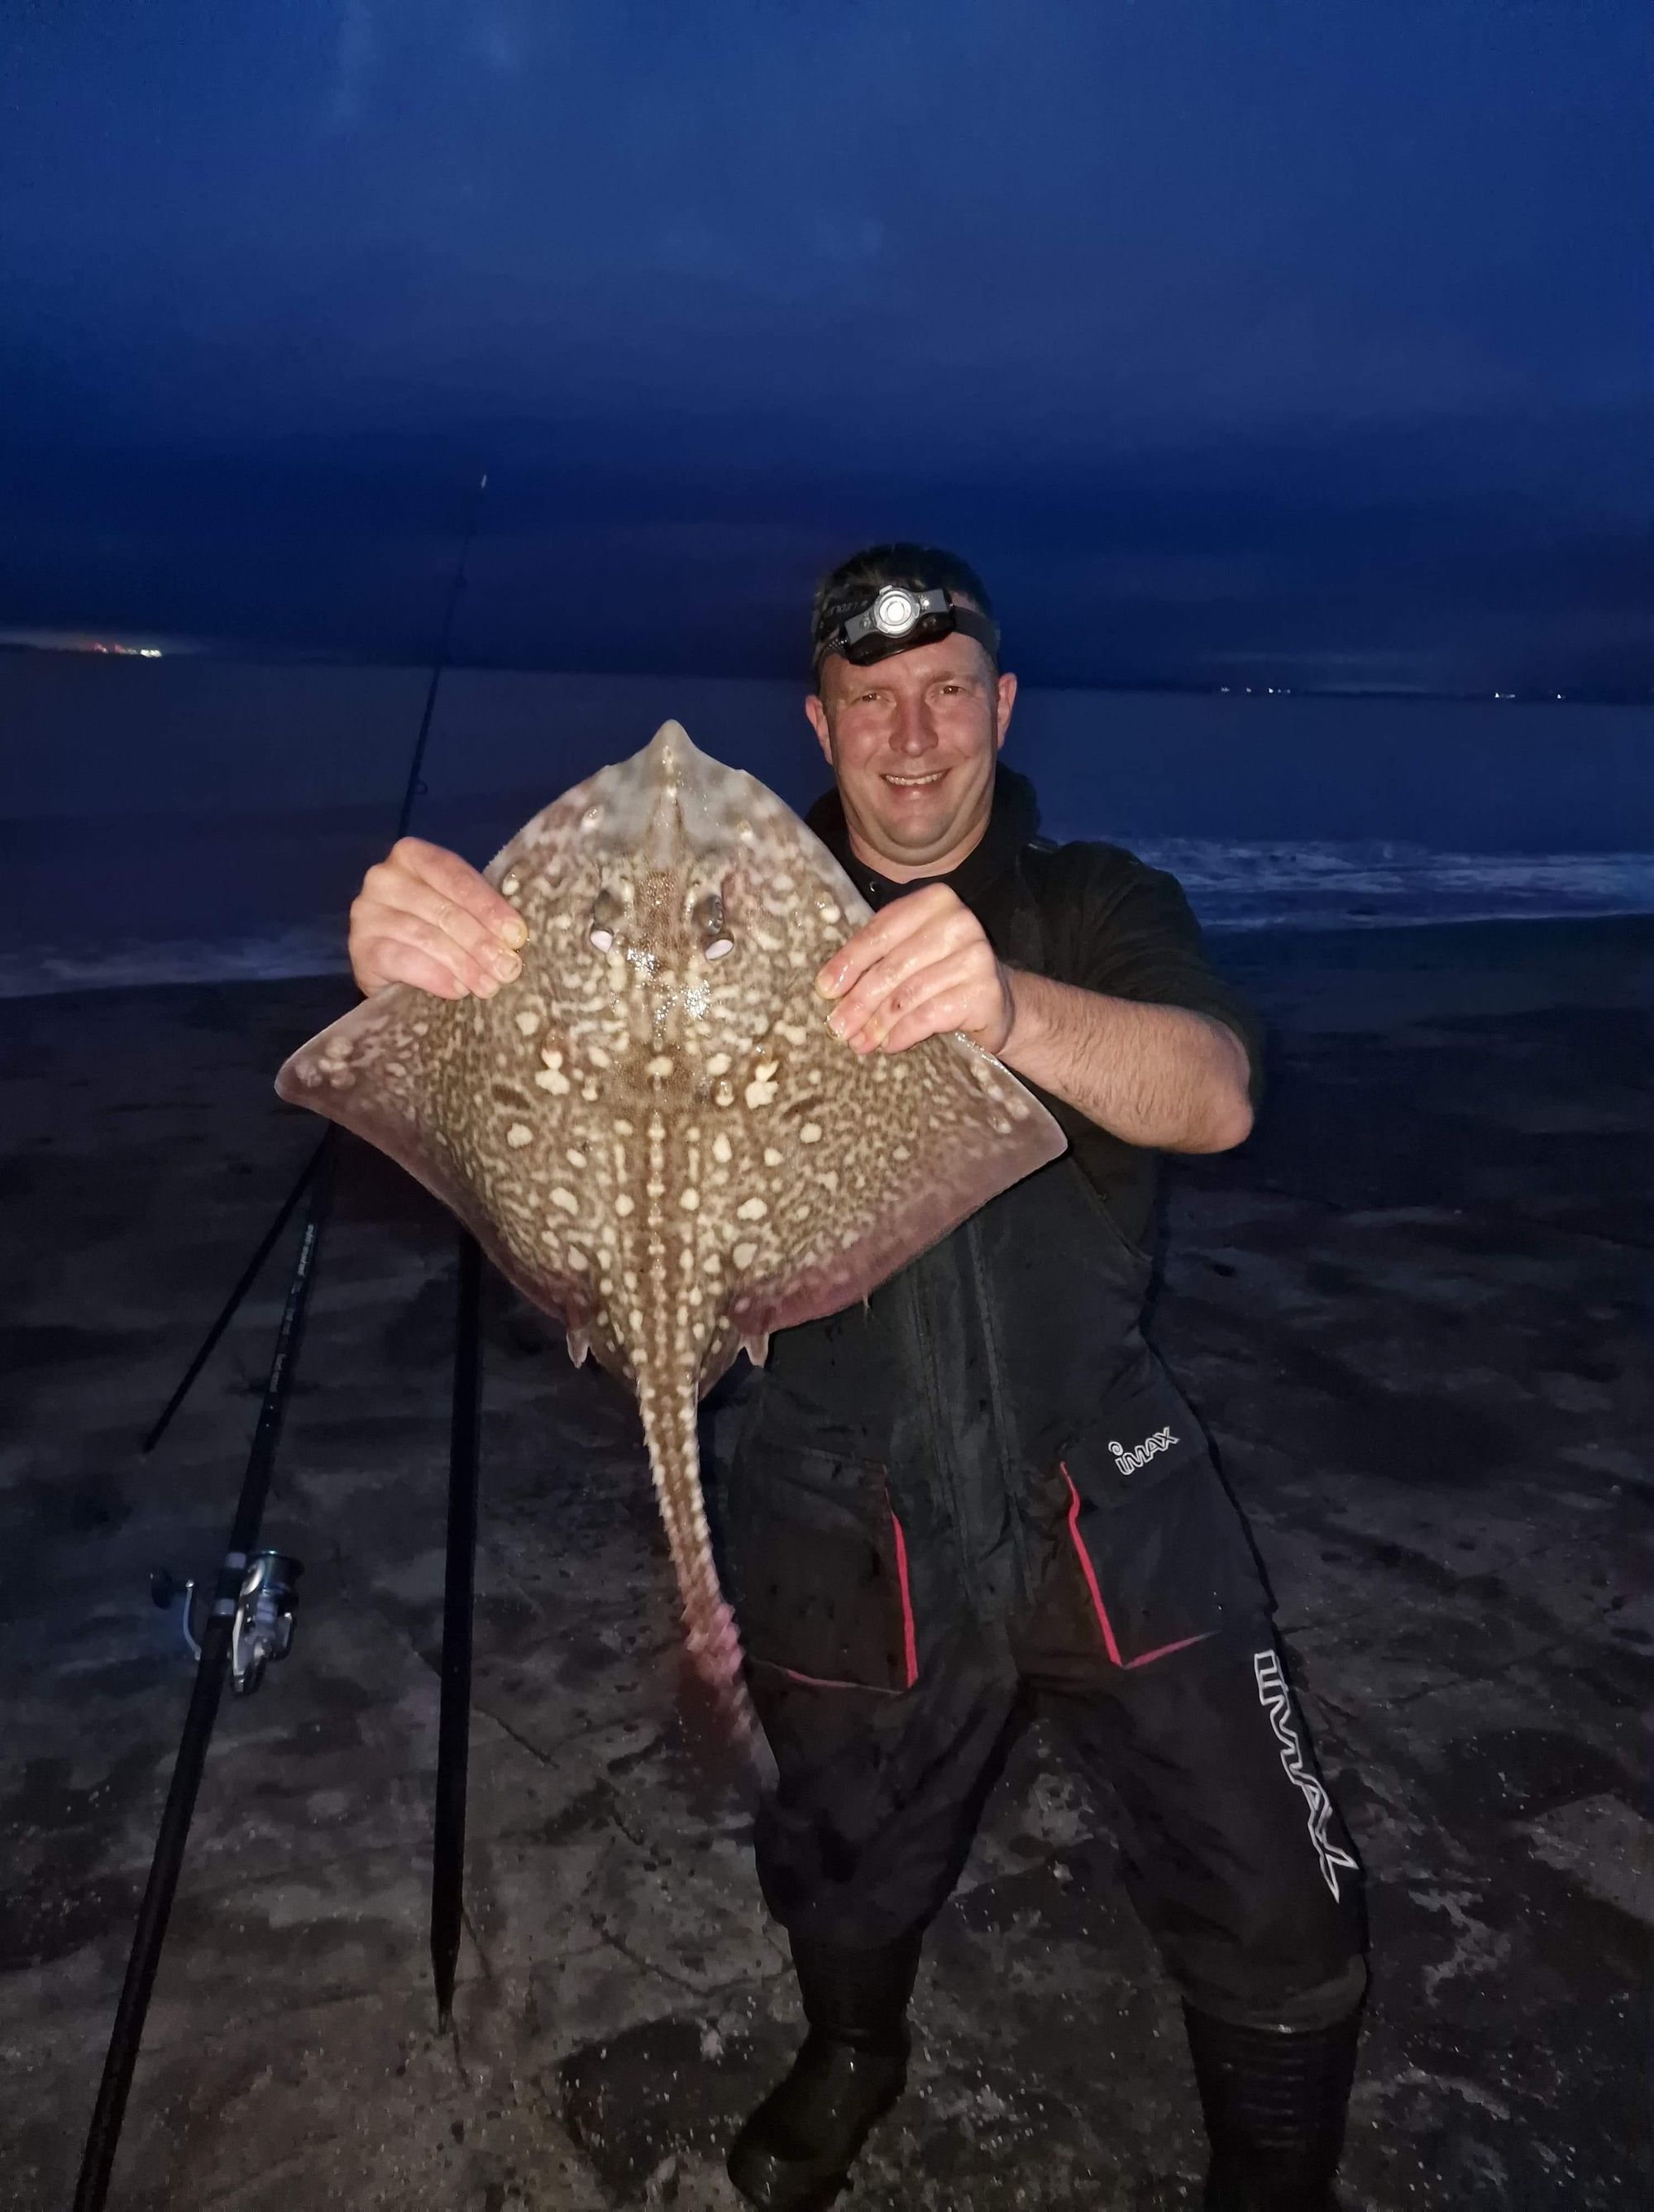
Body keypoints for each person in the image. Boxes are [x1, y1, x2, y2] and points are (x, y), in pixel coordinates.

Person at [347, 546, 1369, 2211]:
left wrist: (1007, 1003)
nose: (911, 736)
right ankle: (851, 2048)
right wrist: (423, 996)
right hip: (836, 1500)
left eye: (946, 692)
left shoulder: (1097, 900)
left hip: (1104, 1478)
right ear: (817, 726)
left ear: (1002, 705)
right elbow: (558, 1137)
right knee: (833, 1853)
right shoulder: (740, 925)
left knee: (1279, 1889)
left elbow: (1215, 1090)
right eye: (870, 700)